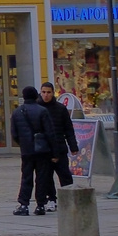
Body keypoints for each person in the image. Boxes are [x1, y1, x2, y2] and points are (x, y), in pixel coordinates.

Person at [12, 86, 61, 216]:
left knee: (26, 177)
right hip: (42, 150)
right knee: (42, 177)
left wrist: (23, 143)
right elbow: (50, 133)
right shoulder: (42, 111)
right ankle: (40, 205)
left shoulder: (17, 112)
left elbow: (14, 133)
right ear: (36, 96)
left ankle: (24, 204)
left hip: (27, 151)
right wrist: (55, 152)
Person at [39, 82, 78, 210]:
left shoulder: (60, 108)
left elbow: (68, 129)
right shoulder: (38, 108)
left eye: (48, 92)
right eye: (43, 92)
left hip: (60, 147)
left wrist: (73, 146)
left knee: (64, 174)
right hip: (44, 149)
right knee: (47, 176)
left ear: (53, 93)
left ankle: (70, 197)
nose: (46, 95)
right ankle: (51, 199)